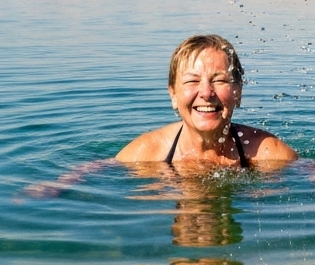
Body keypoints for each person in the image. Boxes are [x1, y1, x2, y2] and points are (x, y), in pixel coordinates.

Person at [117, 33, 297, 167]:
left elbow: (309, 173)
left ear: (238, 92)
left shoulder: (267, 153)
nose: (206, 93)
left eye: (220, 80)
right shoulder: (145, 153)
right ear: (173, 94)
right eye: (192, 81)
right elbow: (103, 170)